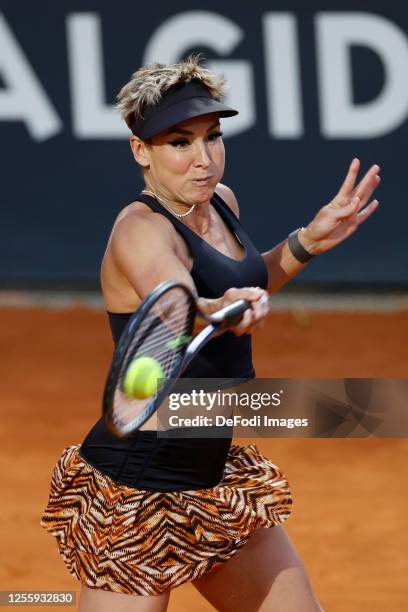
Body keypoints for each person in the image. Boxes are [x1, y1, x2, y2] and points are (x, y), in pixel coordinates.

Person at [40, 55, 380, 612]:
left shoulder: (221, 202)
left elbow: (246, 278)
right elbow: (174, 295)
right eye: (180, 142)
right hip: (141, 485)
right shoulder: (140, 230)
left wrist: (308, 242)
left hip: (213, 471)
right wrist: (216, 306)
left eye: (213, 137)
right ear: (140, 151)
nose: (204, 159)